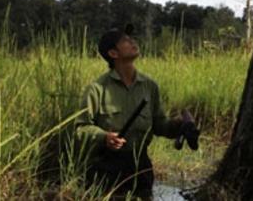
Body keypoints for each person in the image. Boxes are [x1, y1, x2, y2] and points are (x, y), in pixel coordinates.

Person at [75, 24, 194, 199]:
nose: (132, 42)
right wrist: (105, 137)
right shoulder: (97, 89)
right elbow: (81, 128)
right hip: (107, 168)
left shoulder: (150, 86)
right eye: (125, 40)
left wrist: (180, 125)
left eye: (131, 39)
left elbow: (160, 125)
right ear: (113, 54)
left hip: (141, 167)